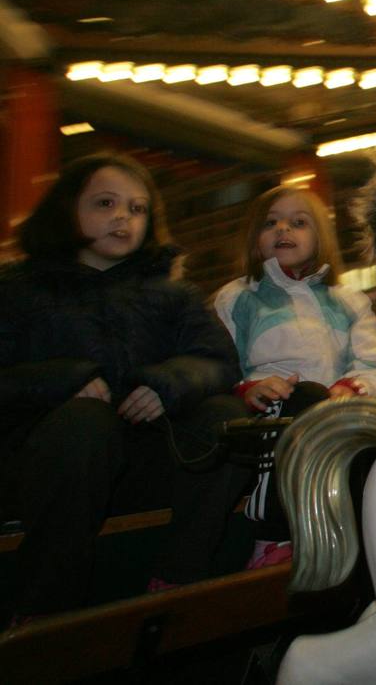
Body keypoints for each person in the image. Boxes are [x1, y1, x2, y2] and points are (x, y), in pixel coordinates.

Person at [0, 154, 248, 622]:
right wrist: (62, 382)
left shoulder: (172, 295)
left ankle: (178, 577)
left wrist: (167, 385)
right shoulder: (18, 290)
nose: (123, 217)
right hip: (47, 465)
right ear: (67, 209)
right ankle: (44, 611)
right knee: (85, 423)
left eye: (137, 209)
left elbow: (218, 362)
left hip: (140, 458)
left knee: (225, 420)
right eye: (106, 203)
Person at [214, 185, 376, 570]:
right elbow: (221, 361)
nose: (283, 230)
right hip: (272, 412)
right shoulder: (237, 297)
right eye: (271, 223)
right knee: (305, 400)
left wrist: (352, 387)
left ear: (320, 237)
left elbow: (375, 362)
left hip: (334, 410)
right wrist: (248, 388)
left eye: (298, 222)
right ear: (255, 237)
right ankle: (272, 536)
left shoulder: (346, 299)